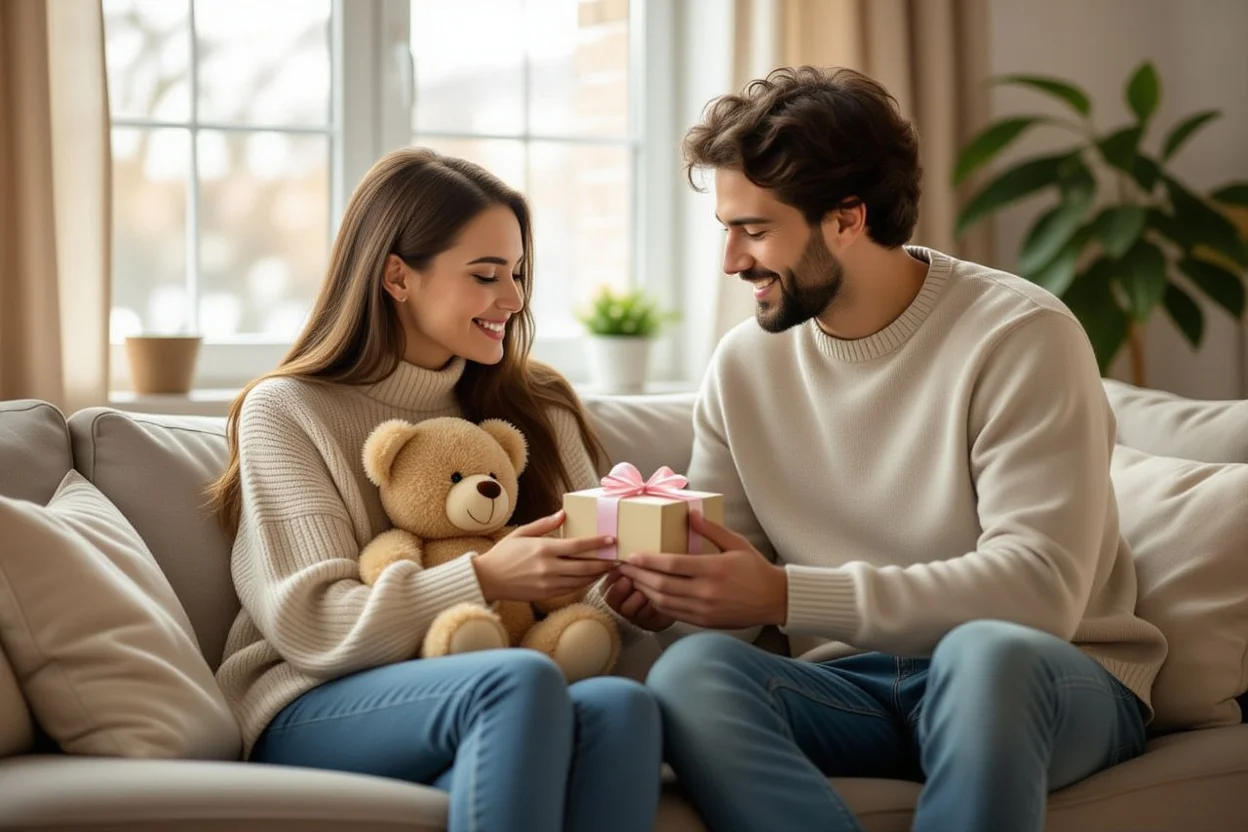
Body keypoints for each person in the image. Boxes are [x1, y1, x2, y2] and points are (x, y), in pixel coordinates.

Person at [602, 66, 1168, 832]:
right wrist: (674, 596)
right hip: (849, 689)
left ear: (847, 217)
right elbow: (735, 610)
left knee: (987, 657)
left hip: (1049, 679)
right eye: (727, 230)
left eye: (756, 229)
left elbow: (1038, 596)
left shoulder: (1019, 336)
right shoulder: (742, 366)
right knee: (694, 673)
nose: (732, 262)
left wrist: (783, 594)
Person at [209, 147, 662, 832]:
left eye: (516, 274)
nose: (512, 299)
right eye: (485, 275)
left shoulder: (539, 404)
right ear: (397, 276)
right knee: (520, 684)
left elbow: (586, 590)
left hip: (502, 686)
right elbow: (313, 623)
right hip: (316, 699)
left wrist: (631, 598)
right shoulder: (289, 410)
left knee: (621, 707)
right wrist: (481, 578)